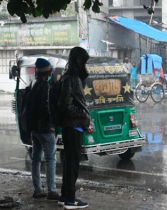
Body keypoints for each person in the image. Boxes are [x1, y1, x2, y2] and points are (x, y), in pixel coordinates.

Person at [58, 47, 92, 209]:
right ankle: (70, 199)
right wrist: (84, 117)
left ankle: (65, 196)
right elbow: (66, 106)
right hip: (73, 128)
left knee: (69, 163)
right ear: (79, 61)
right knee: (72, 165)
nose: (86, 66)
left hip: (73, 127)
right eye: (84, 62)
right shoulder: (71, 79)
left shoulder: (70, 77)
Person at [29, 58, 59, 201]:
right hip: (46, 129)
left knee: (36, 159)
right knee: (50, 159)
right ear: (49, 72)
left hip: (34, 129)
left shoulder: (33, 84)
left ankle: (38, 189)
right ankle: (52, 190)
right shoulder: (46, 87)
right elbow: (46, 109)